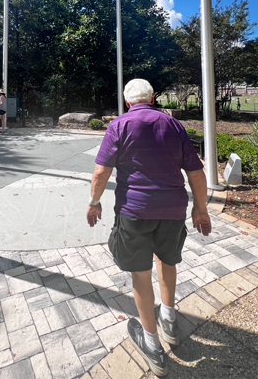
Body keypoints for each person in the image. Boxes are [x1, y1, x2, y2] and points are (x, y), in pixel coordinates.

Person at [86, 78, 211, 377]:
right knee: (167, 261)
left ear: (127, 102)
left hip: (135, 211)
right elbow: (195, 172)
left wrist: (94, 201)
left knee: (140, 274)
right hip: (173, 210)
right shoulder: (174, 126)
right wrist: (201, 209)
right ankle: (169, 320)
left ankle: (152, 344)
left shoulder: (119, 125)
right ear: (153, 98)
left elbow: (102, 171)